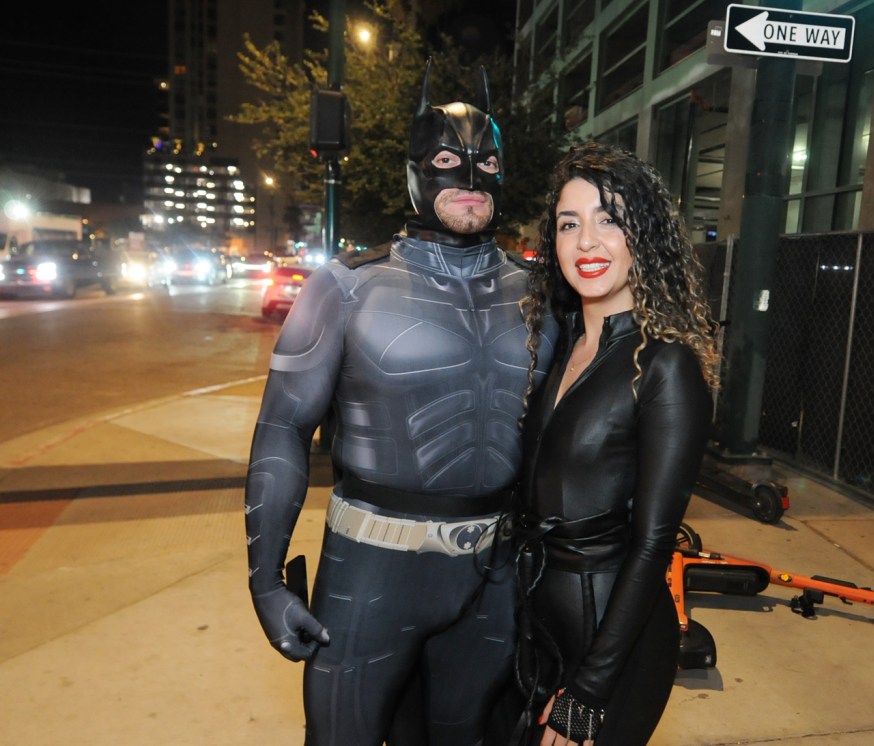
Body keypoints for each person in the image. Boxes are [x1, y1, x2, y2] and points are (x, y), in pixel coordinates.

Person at [244, 60, 554, 746]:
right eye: (448, 159)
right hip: (372, 571)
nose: (470, 180)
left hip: (494, 572)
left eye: (487, 162)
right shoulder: (346, 287)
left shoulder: (539, 293)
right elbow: (283, 429)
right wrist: (265, 579)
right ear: (416, 172)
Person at [512, 141, 718, 746]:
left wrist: (590, 690)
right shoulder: (563, 348)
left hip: (612, 649)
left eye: (610, 220)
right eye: (569, 224)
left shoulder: (667, 365)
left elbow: (654, 544)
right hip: (538, 629)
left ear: (643, 237)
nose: (585, 243)